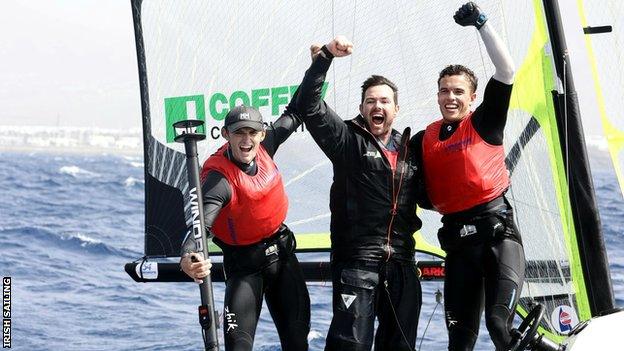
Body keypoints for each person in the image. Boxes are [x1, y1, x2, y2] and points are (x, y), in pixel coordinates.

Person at [296, 36, 425, 351]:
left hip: (403, 263)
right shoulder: (347, 141)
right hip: (357, 262)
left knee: (401, 346)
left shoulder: (413, 148)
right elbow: (308, 106)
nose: (377, 106)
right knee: (349, 346)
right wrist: (324, 58)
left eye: (384, 101)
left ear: (396, 109)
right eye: (370, 101)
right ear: (361, 108)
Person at [411, 2, 526, 350]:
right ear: (437, 95)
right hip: (459, 247)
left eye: (458, 91)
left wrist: (481, 24)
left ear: (472, 97)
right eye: (445, 90)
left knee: (498, 323)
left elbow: (506, 70)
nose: (451, 97)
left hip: (499, 239)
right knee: (458, 341)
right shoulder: (422, 140)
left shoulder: (485, 122)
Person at [179, 102, 310, 351]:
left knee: (297, 343)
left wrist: (322, 62)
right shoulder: (218, 180)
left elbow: (297, 110)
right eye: (239, 132)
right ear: (226, 134)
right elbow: (200, 227)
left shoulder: (267, 145)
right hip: (244, 267)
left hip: (281, 257)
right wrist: (188, 257)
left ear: (262, 134)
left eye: (252, 132)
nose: (246, 140)